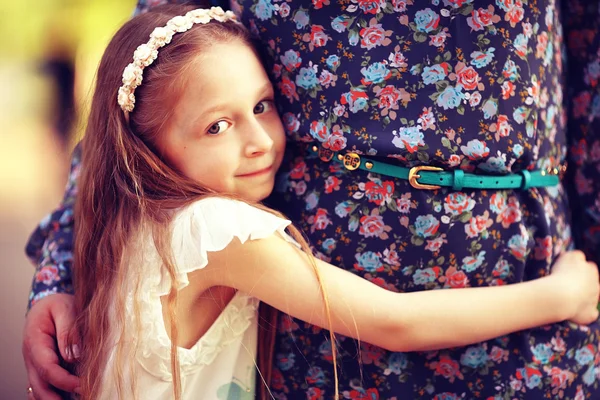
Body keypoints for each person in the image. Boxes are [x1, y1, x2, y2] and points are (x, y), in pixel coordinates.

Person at [22, 0, 600, 399]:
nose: (258, 143)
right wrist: (563, 294)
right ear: (145, 149)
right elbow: (396, 322)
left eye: (263, 106)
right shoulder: (218, 233)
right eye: (216, 127)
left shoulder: (144, 222)